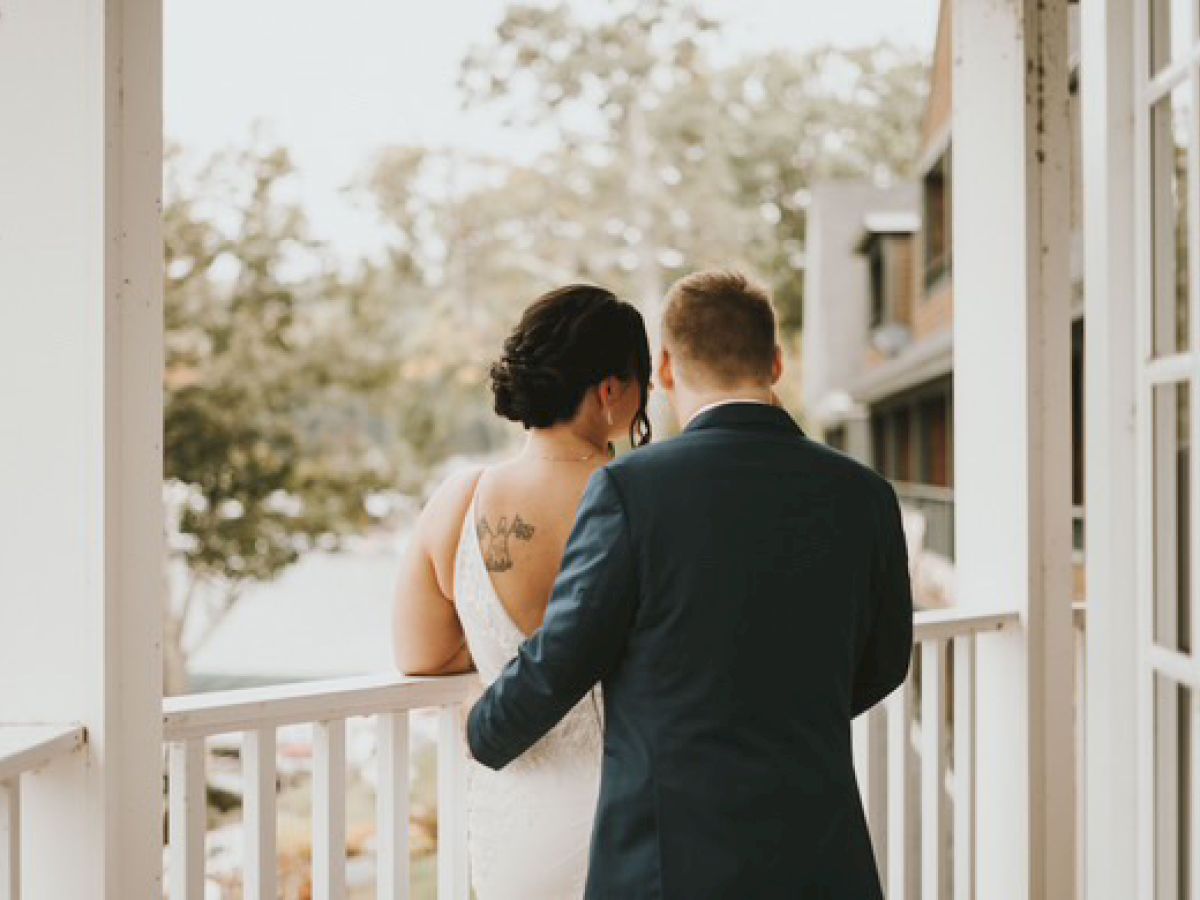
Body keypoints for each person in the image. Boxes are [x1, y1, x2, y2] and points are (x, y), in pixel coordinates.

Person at [467, 269, 913, 899]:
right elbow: (887, 660)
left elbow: (565, 654)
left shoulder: (632, 490)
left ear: (669, 369)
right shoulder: (866, 495)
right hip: (820, 852)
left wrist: (481, 729)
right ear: (777, 363)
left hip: (670, 862)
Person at [392, 284, 652, 899]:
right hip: (638, 815)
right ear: (610, 391)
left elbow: (418, 654)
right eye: (643, 383)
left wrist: (498, 654)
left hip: (519, 819)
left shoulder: (459, 500)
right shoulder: (645, 494)